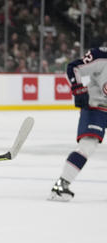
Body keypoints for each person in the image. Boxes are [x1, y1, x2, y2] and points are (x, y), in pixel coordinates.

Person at [49, 46, 107, 201]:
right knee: (87, 145)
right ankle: (61, 185)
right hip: (96, 107)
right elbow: (73, 67)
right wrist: (77, 88)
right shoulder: (101, 56)